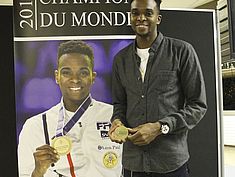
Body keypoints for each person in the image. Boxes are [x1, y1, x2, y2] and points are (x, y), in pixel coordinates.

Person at [108, 0, 207, 177]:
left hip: (170, 163)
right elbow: (119, 104)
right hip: (133, 164)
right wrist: (117, 122)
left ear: (158, 18)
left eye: (147, 13)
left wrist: (160, 127)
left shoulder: (182, 51)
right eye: (135, 13)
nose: (141, 18)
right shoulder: (120, 60)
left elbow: (197, 106)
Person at [18, 40, 122, 177]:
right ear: (57, 77)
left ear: (93, 77)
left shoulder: (115, 117)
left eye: (83, 73)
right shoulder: (35, 126)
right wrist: (38, 171)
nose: (75, 79)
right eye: (66, 73)